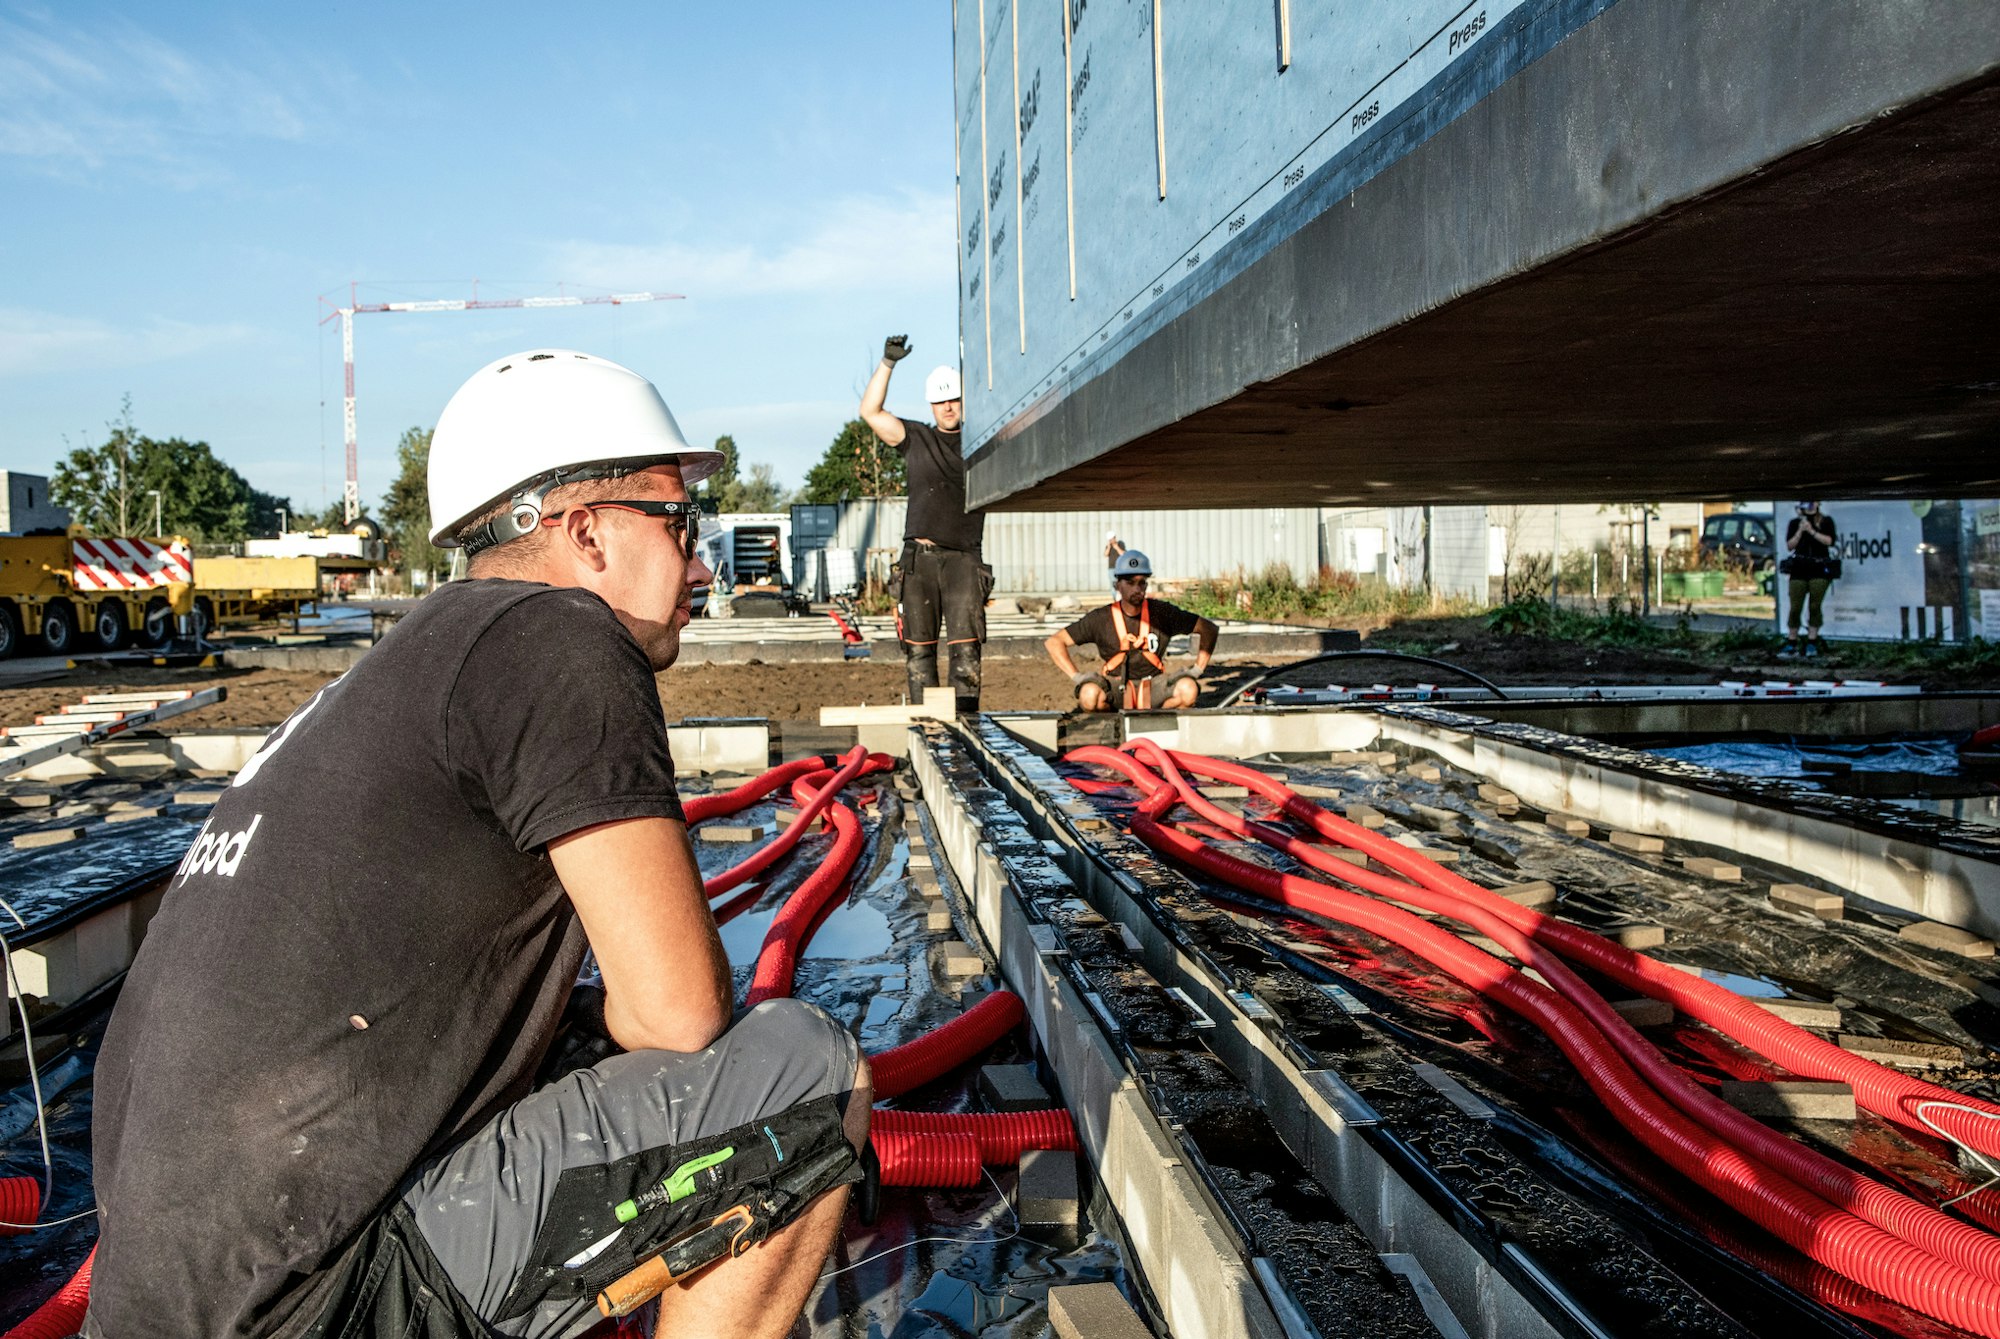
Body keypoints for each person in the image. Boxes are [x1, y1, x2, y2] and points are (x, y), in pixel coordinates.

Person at [87, 351, 869, 1339]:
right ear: (583, 531)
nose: (702, 562)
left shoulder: (405, 665)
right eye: (680, 519)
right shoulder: (561, 638)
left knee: (580, 1044)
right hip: (304, 1303)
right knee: (800, 1073)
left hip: (175, 1294)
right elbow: (678, 1013)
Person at [859, 335, 989, 712]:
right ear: (931, 405)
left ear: (965, 400)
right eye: (941, 401)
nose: (948, 407)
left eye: (954, 399)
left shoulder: (983, 440)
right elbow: (870, 411)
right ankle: (927, 731)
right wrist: (887, 363)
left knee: (966, 655)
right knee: (919, 655)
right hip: (920, 560)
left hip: (965, 560)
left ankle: (967, 730)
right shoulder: (916, 438)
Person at [1045, 549, 1218, 711]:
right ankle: (1111, 728)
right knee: (1089, 695)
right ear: (1117, 585)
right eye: (1130, 582)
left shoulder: (1163, 613)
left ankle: (1157, 721)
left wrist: (1197, 670)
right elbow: (1054, 642)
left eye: (1142, 583)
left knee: (1188, 690)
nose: (1137, 589)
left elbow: (1208, 628)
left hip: (1154, 687)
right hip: (1115, 687)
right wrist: (1077, 677)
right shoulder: (1100, 618)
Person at [1780, 500, 1840, 659]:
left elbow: (1830, 541)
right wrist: (1801, 530)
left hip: (1819, 568)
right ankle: (1792, 641)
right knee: (1795, 606)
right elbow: (1790, 545)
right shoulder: (1795, 523)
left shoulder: (1826, 521)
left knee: (1814, 605)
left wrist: (1812, 531)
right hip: (1799, 568)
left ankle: (1812, 641)